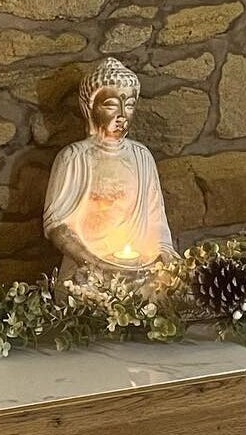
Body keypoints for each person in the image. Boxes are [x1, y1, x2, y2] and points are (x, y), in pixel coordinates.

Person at [43, 58, 177, 281]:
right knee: (85, 294)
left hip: (140, 266)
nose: (122, 114)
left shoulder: (141, 157)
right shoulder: (75, 158)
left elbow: (157, 221)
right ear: (90, 108)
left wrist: (164, 254)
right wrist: (94, 263)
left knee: (170, 289)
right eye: (111, 105)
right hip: (89, 267)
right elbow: (57, 226)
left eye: (130, 105)